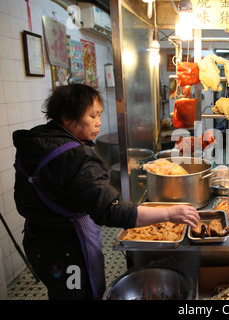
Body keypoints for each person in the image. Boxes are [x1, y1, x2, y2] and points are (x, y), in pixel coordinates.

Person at [13, 83, 199, 300]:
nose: (99, 122)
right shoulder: (77, 157)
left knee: (60, 292)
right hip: (69, 249)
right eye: (92, 116)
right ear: (66, 117)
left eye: (99, 115)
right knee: (79, 295)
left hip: (37, 241)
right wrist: (169, 213)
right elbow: (111, 211)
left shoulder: (37, 141)